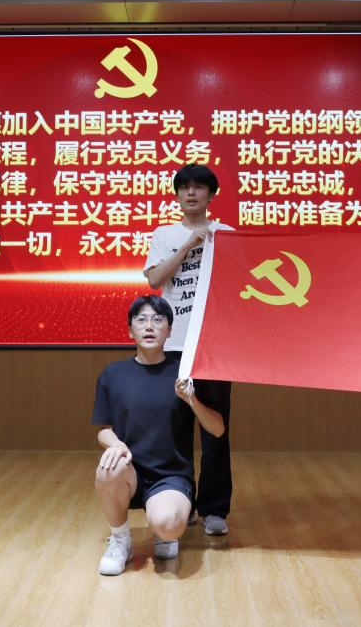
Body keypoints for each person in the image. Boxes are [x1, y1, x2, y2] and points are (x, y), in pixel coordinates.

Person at [92, 295, 226, 576]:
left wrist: (191, 400)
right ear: (130, 331)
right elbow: (104, 430)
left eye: (158, 319)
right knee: (108, 467)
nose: (149, 326)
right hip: (130, 472)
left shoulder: (185, 374)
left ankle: (162, 532)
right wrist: (116, 445)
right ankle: (121, 540)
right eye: (141, 320)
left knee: (168, 524)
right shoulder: (113, 374)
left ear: (170, 331)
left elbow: (217, 429)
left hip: (171, 477)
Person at [143, 163, 234, 536]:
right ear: (177, 195)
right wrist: (187, 246)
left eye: (199, 187)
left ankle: (214, 508)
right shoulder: (164, 234)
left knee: (215, 430)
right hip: (174, 345)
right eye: (185, 188)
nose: (191, 193)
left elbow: (237, 287)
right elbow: (154, 280)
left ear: (211, 195)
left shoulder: (226, 234)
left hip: (214, 347)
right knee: (175, 430)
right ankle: (181, 500)